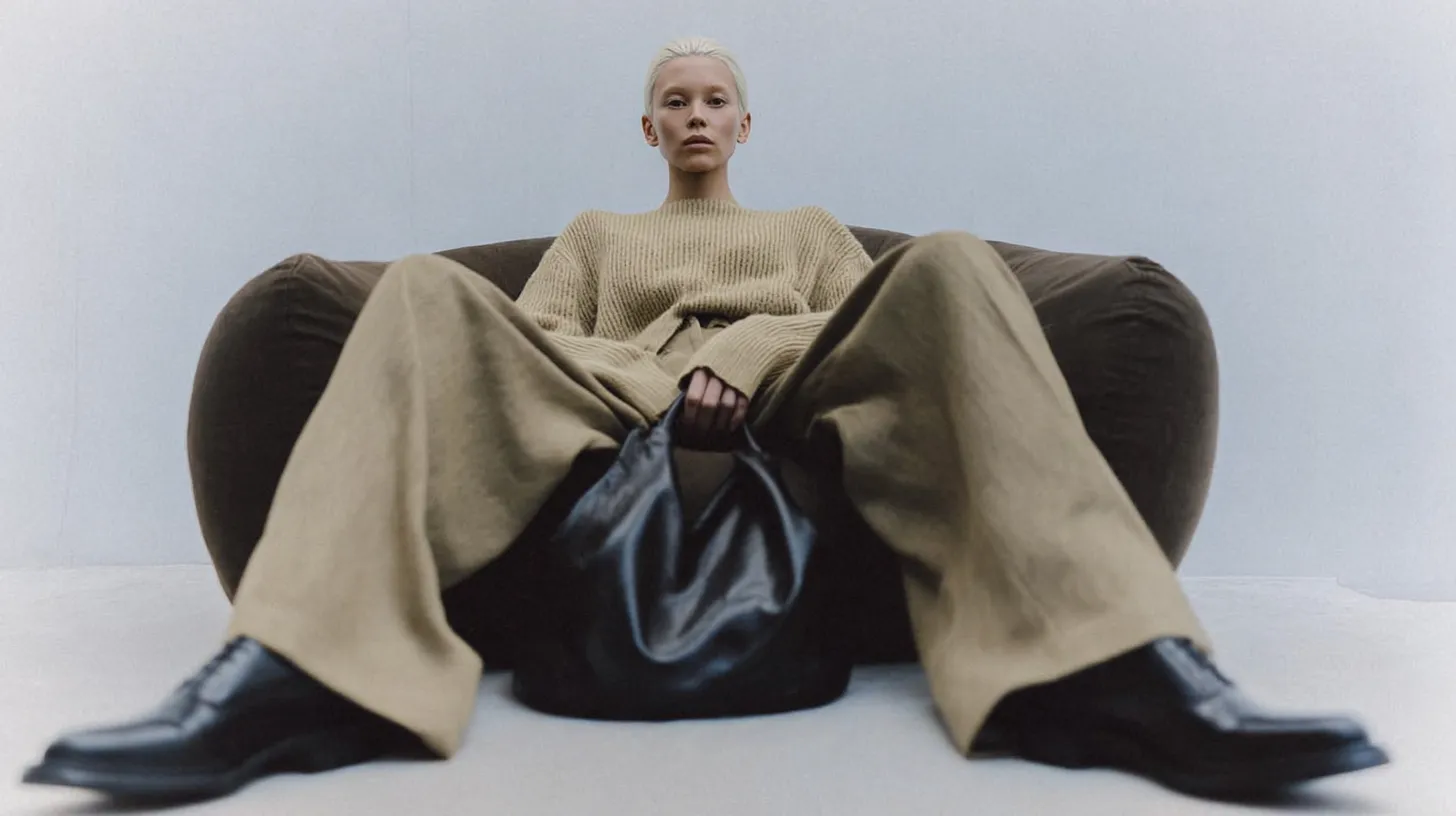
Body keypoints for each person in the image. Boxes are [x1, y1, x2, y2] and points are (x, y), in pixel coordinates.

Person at [22, 36, 1388, 804]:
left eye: (713, 99)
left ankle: (1117, 665)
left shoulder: (807, 229)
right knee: (429, 294)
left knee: (954, 263)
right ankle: (297, 670)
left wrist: (741, 352)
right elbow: (538, 344)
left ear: (744, 122)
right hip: (607, 405)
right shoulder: (598, 233)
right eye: (671, 100)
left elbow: (862, 330)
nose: (693, 114)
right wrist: (661, 381)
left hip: (800, 402)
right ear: (647, 127)